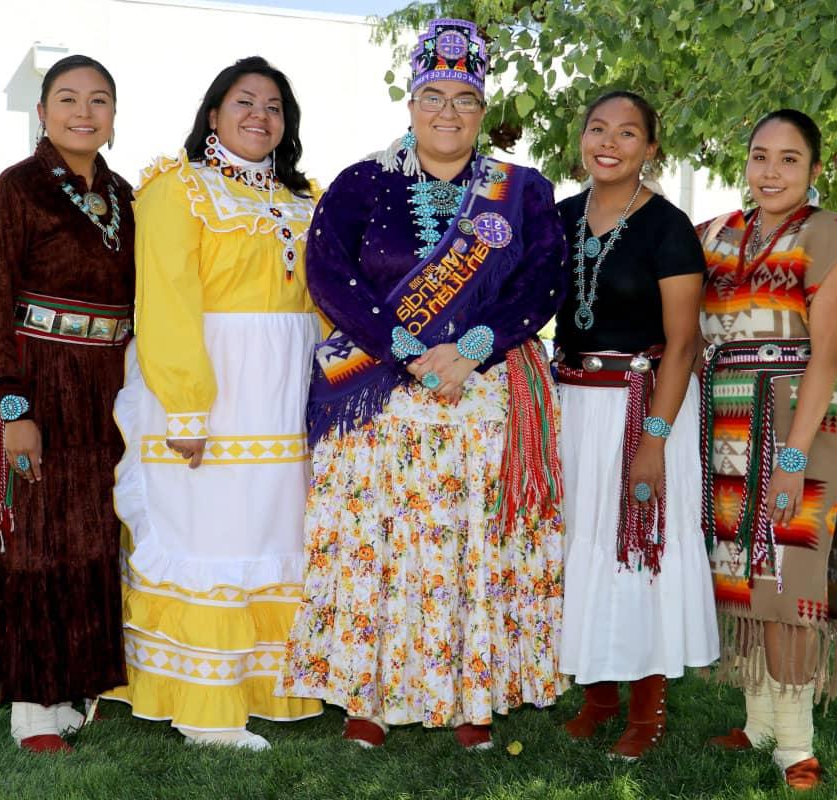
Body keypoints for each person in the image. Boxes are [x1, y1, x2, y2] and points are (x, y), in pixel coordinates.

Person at [279, 18, 569, 751]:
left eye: (464, 98)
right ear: (410, 103)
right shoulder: (362, 182)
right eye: (433, 95)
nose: (448, 112)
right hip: (378, 398)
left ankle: (473, 694)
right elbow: (329, 278)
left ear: (483, 108)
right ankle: (368, 698)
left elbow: (544, 279)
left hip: (481, 394)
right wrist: (409, 349)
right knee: (378, 545)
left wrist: (471, 347)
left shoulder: (522, 191)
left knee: (471, 545)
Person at [104, 57, 322, 751]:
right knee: (212, 534)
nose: (260, 115)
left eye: (274, 106)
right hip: (211, 386)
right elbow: (166, 301)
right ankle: (204, 710)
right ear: (213, 115)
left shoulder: (304, 197)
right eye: (243, 101)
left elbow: (319, 305)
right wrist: (187, 408)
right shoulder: (179, 190)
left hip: (283, 396)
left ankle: (262, 690)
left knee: (270, 534)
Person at [697, 109, 837, 789]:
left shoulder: (831, 235)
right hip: (726, 423)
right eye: (759, 156)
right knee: (743, 575)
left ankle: (795, 745)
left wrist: (794, 456)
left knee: (790, 581)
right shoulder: (717, 237)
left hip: (798, 418)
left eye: (787, 159)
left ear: (813, 168)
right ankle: (759, 722)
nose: (770, 172)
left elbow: (827, 354)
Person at [0, 55, 134, 753]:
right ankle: (30, 700)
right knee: (34, 536)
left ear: (114, 115)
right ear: (42, 111)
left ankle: (71, 686)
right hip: (38, 380)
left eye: (98, 100)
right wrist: (10, 405)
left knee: (89, 536)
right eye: (67, 98)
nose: (83, 112)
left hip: (108, 389)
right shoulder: (16, 189)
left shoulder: (126, 195)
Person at [553, 91, 718, 761]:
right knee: (580, 541)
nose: (609, 141)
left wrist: (653, 441)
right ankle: (595, 696)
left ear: (651, 148)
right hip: (573, 403)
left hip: (643, 405)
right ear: (582, 138)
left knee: (638, 547)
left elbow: (682, 344)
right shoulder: (557, 218)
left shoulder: (667, 226)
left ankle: (646, 707)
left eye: (628, 133)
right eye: (597, 128)